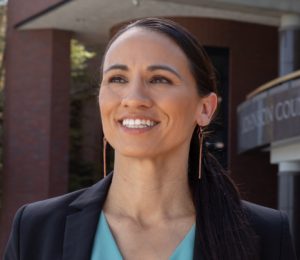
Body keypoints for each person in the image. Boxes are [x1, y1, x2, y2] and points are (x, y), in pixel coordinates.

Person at [4, 18, 297, 260]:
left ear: (204, 108)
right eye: (117, 78)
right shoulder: (36, 228)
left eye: (159, 79)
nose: (134, 99)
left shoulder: (266, 234)